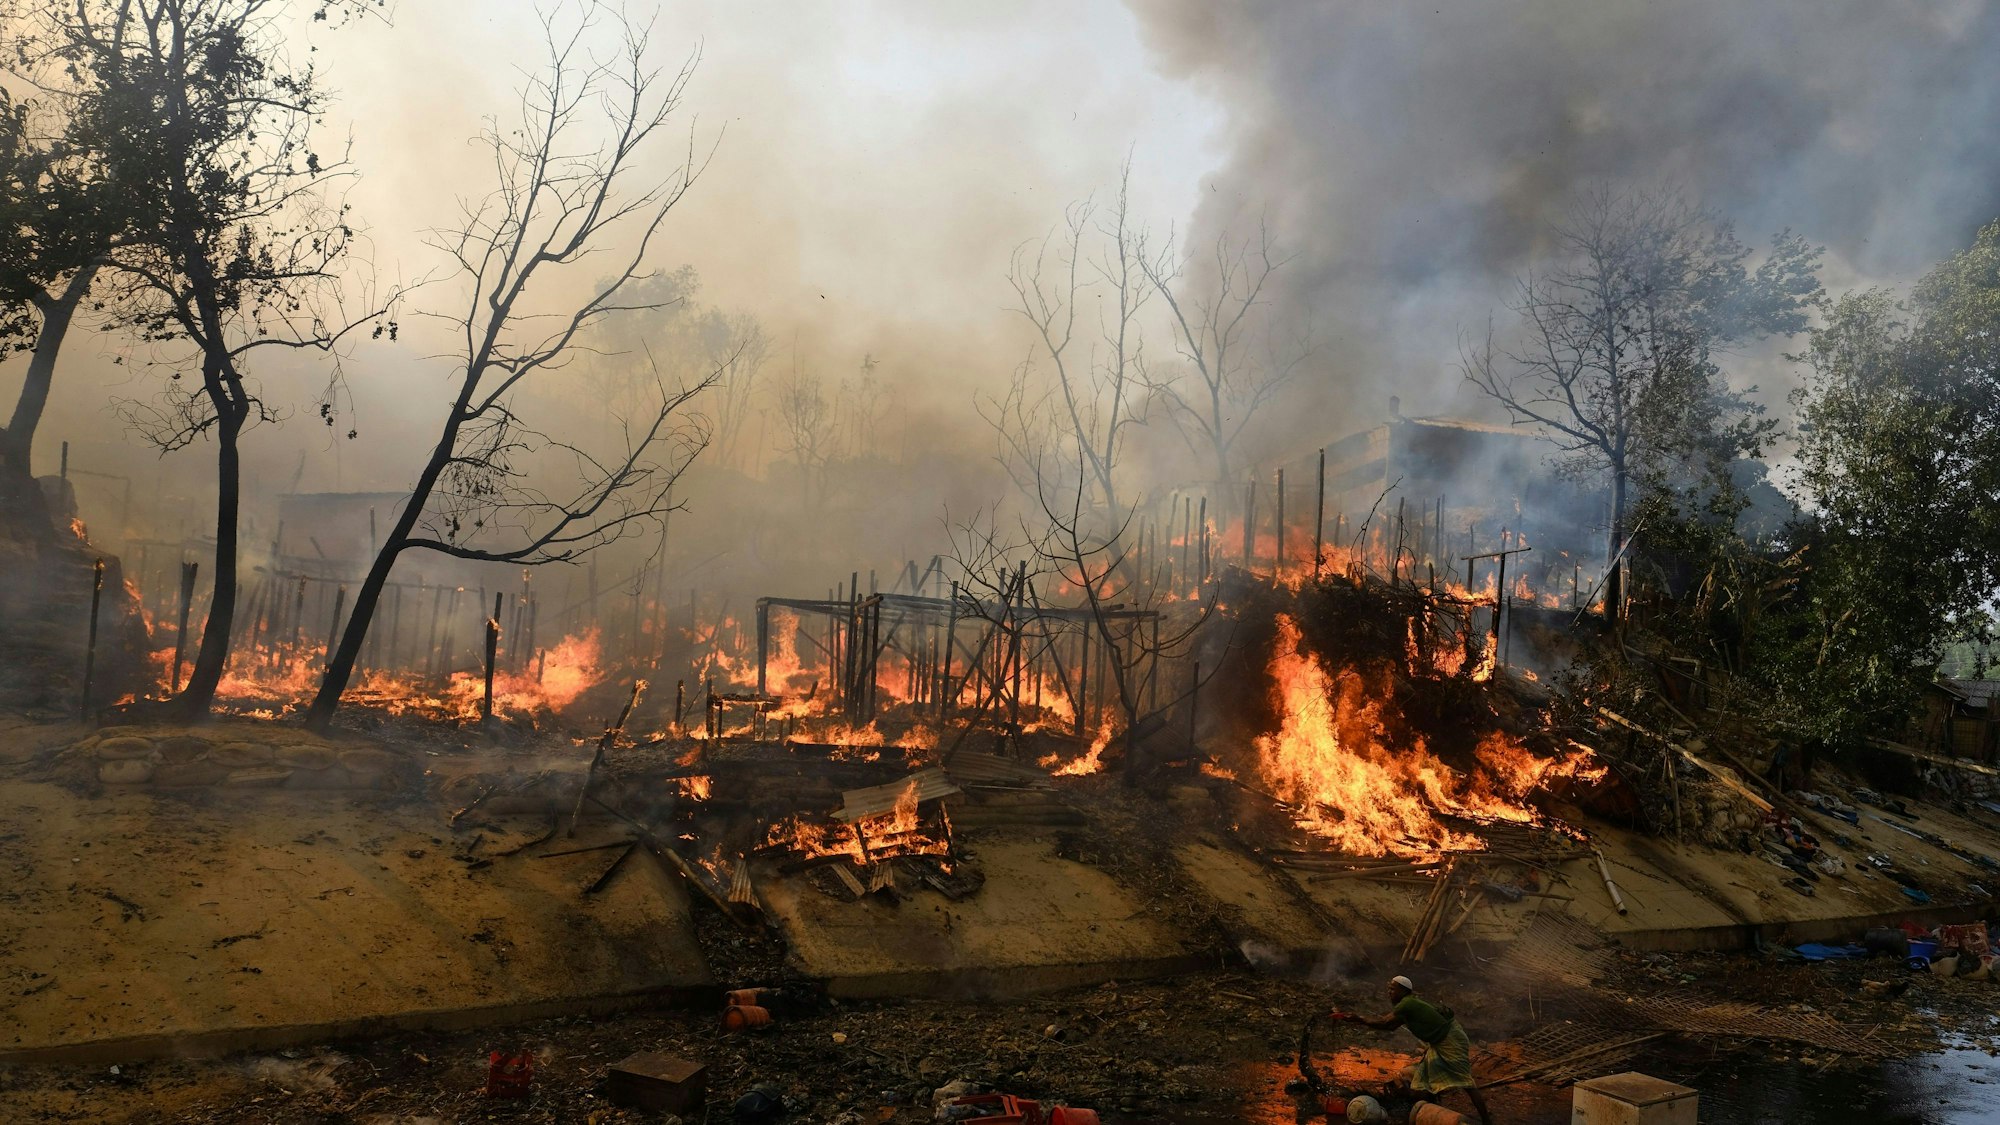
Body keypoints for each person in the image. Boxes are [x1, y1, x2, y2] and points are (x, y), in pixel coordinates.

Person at [1336, 975, 1490, 1124]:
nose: (1389, 993)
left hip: (1450, 1040)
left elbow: (1384, 1022)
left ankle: (1486, 1121)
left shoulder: (1406, 1004)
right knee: (1423, 1079)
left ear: (1404, 990)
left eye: (1393, 989)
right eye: (1389, 989)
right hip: (1439, 1042)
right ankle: (1432, 1112)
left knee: (1466, 1082)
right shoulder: (1407, 1005)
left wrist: (1359, 1019)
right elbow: (1390, 1027)